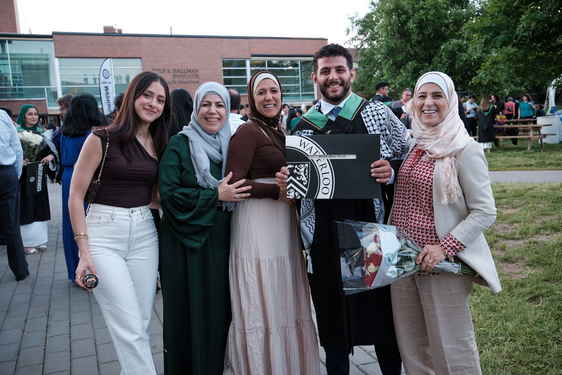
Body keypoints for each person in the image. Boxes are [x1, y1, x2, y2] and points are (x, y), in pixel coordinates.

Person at [278, 44, 407, 375]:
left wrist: (389, 170)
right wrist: (289, 183)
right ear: (315, 77)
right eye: (325, 71)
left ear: (352, 73)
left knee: (382, 316)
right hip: (324, 233)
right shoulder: (302, 126)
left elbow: (408, 153)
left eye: (339, 69)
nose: (332, 77)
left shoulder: (377, 113)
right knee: (333, 318)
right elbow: (300, 188)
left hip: (371, 227)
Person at [390, 71, 501, 374]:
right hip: (402, 262)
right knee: (412, 348)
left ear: (451, 101)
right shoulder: (415, 143)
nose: (428, 103)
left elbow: (484, 211)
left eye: (437, 95)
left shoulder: (465, 149)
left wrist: (444, 248)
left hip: (441, 266)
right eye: (422, 95)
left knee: (452, 349)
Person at [68, 71, 171, 374]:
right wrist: (83, 252)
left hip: (144, 233)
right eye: (147, 95)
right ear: (132, 96)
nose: (153, 103)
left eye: (160, 99)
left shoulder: (158, 142)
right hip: (102, 234)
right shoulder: (102, 137)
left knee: (139, 323)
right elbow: (75, 197)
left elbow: (154, 198)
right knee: (129, 328)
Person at [223, 70, 321, 374]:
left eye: (274, 91)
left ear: (281, 96)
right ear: (252, 98)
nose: (269, 97)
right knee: (261, 295)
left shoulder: (279, 130)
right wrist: (275, 192)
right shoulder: (247, 132)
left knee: (283, 294)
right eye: (261, 92)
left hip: (283, 221)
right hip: (258, 223)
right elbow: (233, 184)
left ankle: (288, 363)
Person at [158, 82, 250, 375]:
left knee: (220, 311)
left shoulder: (233, 144)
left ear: (228, 109)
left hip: (224, 240)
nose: (213, 111)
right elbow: (168, 194)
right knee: (189, 312)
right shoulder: (179, 144)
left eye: (219, 105)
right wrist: (214, 195)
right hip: (186, 244)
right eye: (206, 105)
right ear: (196, 109)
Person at [60, 94, 107, 284]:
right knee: (90, 223)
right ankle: (95, 268)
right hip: (88, 178)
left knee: (71, 224)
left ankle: (76, 272)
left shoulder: (65, 131)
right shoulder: (93, 134)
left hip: (68, 177)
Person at [16, 104, 59, 254]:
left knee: (40, 204)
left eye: (36, 114)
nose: (34, 117)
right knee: (26, 205)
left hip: (39, 174)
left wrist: (51, 156)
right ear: (23, 116)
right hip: (23, 176)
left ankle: (40, 239)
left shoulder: (43, 134)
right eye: (30, 114)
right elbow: (9, 152)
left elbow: (53, 151)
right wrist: (19, 162)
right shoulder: (16, 134)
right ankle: (27, 243)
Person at [0, 109, 29, 281]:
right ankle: (20, 269)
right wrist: (15, 174)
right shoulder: (2, 115)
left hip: (7, 173)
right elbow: (16, 148)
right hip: (6, 173)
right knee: (11, 223)